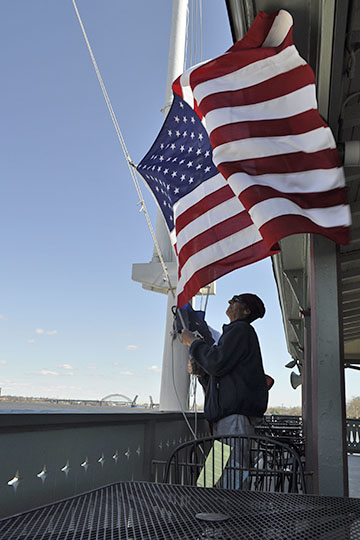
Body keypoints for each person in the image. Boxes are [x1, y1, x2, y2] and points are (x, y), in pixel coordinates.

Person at [180, 293, 268, 487]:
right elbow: (221, 374)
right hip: (227, 419)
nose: (229, 301)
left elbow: (216, 363)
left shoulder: (241, 330)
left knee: (231, 476)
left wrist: (193, 343)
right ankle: (211, 506)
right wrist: (202, 374)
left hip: (233, 420)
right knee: (216, 476)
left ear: (246, 311)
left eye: (235, 300)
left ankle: (232, 515)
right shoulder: (237, 334)